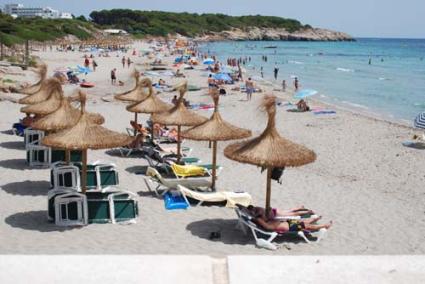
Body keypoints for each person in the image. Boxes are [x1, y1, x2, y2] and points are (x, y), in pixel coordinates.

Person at [254, 212, 332, 234]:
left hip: (287, 223)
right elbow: (267, 227)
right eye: (260, 218)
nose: (262, 217)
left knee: (301, 222)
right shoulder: (267, 225)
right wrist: (259, 218)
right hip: (289, 227)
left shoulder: (266, 222)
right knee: (306, 226)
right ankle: (324, 226)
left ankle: (314, 220)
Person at [247, 205, 314, 221]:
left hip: (275, 213)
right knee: (289, 211)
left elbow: (260, 213)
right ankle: (300, 207)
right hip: (274, 211)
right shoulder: (257, 209)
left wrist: (255, 215)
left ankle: (308, 212)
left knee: (292, 214)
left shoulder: (258, 209)